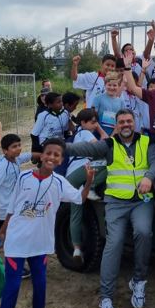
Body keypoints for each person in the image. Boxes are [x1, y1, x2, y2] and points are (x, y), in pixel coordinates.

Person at [0, 138, 91, 308]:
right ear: (41, 155)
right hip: (17, 244)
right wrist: (1, 234)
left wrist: (89, 180)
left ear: (61, 159)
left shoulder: (60, 183)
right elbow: (11, 208)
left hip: (41, 245)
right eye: (48, 153)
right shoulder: (24, 177)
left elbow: (79, 199)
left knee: (41, 286)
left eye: (57, 155)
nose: (52, 157)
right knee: (12, 288)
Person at [63, 109, 155, 308]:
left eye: (129, 121)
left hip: (141, 200)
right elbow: (86, 147)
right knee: (114, 243)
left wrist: (148, 177)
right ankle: (106, 298)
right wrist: (61, 147)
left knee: (144, 232)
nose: (125, 125)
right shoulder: (109, 144)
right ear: (116, 125)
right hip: (116, 202)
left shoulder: (147, 141)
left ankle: (138, 281)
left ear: (134, 123)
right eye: (121, 122)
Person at [66, 109, 108, 266]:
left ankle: (76, 249)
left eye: (96, 121)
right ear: (83, 123)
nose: (95, 124)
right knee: (111, 165)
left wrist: (98, 128)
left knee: (75, 213)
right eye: (92, 121)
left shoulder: (79, 133)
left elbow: (102, 139)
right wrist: (104, 131)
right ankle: (91, 187)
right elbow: (101, 147)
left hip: (72, 176)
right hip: (82, 170)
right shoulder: (85, 133)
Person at [91, 72, 127, 138]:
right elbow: (93, 118)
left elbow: (121, 120)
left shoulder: (121, 101)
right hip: (99, 134)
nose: (112, 87)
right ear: (105, 85)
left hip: (115, 134)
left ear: (118, 86)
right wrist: (102, 133)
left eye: (114, 85)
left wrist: (112, 135)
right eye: (109, 85)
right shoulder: (98, 98)